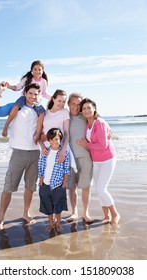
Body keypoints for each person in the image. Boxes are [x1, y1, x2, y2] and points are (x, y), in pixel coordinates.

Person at [0, 82, 41, 231]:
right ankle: (1, 219)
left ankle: (26, 214)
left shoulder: (39, 111)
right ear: (25, 93)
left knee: (30, 187)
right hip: (18, 153)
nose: (33, 96)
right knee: (8, 187)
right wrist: (0, 91)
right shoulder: (16, 107)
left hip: (35, 153)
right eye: (30, 93)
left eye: (36, 94)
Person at [76, 98, 120, 225]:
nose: (86, 110)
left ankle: (115, 214)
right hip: (96, 160)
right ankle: (106, 216)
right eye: (84, 108)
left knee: (101, 189)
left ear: (94, 108)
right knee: (99, 188)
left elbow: (102, 145)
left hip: (107, 159)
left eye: (89, 107)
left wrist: (86, 144)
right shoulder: (86, 123)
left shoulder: (99, 122)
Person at [66, 93, 93, 224]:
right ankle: (74, 212)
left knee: (85, 186)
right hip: (70, 158)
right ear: (68, 104)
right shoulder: (64, 116)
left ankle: (85, 212)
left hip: (85, 157)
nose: (76, 107)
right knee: (72, 187)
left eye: (78, 104)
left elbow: (99, 124)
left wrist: (108, 132)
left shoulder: (85, 116)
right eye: (73, 104)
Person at [38, 128, 70, 233]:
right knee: (48, 205)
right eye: (52, 139)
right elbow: (41, 166)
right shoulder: (46, 151)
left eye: (57, 139)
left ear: (60, 139)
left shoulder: (64, 153)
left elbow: (66, 169)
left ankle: (58, 224)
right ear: (49, 140)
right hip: (45, 183)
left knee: (58, 206)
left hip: (58, 184)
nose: (54, 142)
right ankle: (50, 223)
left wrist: (64, 183)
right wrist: (41, 179)